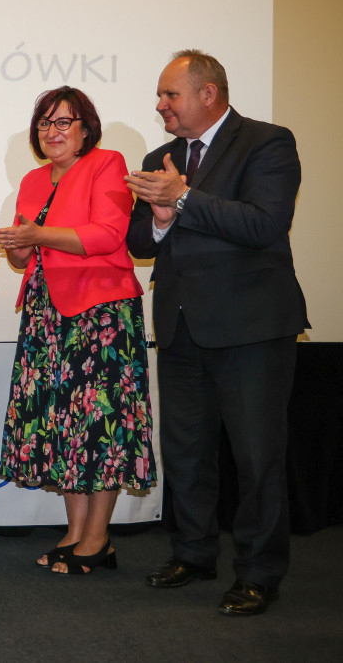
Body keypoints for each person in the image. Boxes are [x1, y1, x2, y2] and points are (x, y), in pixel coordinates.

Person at [125, 50, 306, 615]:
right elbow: (138, 242)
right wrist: (160, 219)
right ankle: (193, 553)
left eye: (170, 95)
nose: (160, 105)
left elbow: (264, 223)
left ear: (208, 94)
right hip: (181, 327)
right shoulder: (158, 159)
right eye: (160, 95)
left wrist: (181, 198)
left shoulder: (267, 142)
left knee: (256, 456)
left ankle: (258, 572)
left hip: (251, 329)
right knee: (186, 452)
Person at [0, 86, 155, 575]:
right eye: (44, 123)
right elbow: (24, 253)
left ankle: (98, 537)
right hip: (47, 314)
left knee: (101, 424)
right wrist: (17, 247)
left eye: (63, 122)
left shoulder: (107, 163)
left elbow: (108, 235)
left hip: (101, 314)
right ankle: (75, 531)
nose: (52, 131)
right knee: (63, 423)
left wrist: (37, 235)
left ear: (86, 128)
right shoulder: (32, 180)